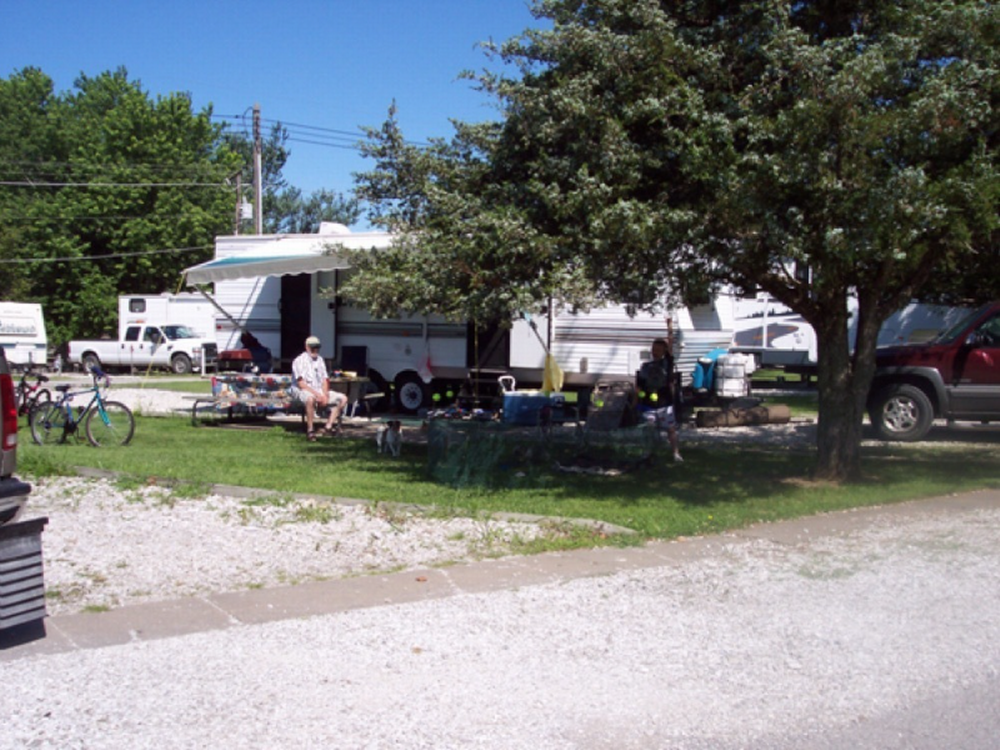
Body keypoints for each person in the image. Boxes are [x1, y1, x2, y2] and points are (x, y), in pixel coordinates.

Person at [291, 335, 347, 441]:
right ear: (306, 347)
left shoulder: (320, 360)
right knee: (310, 399)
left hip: (318, 390)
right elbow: (301, 384)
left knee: (343, 398)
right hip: (303, 390)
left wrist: (325, 395)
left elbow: (325, 380)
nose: (315, 349)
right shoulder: (298, 361)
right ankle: (310, 430)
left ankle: (328, 427)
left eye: (317, 347)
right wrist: (318, 395)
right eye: (312, 347)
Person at [637, 337, 683, 462]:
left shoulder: (667, 364)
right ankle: (647, 453)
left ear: (664, 351)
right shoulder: (645, 366)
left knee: (671, 429)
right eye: (653, 349)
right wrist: (637, 398)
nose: (655, 352)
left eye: (658, 349)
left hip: (664, 403)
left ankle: (676, 453)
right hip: (648, 404)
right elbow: (639, 385)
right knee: (648, 430)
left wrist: (669, 328)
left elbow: (671, 349)